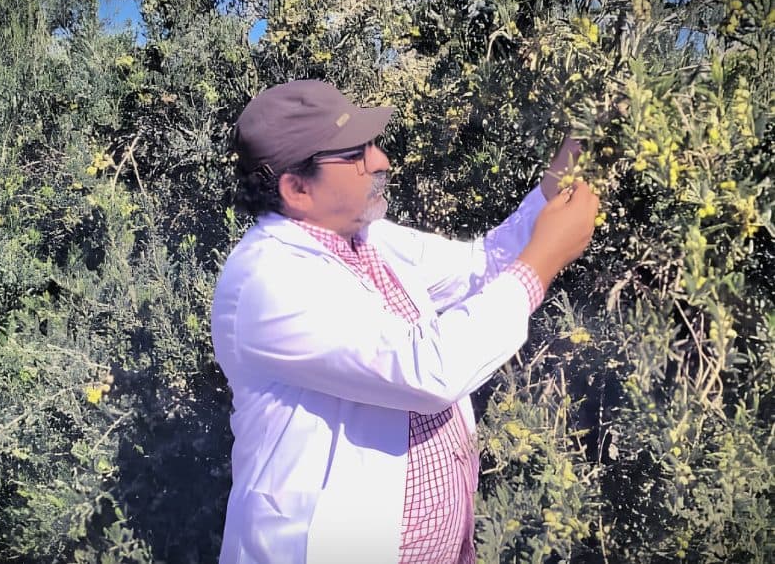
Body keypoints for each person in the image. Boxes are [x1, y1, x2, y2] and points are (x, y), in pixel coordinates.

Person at [211, 80, 598, 564]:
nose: (382, 160)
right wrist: (541, 263)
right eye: (356, 154)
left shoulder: (368, 238)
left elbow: (484, 264)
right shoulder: (269, 281)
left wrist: (575, 154)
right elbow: (428, 370)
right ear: (298, 189)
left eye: (372, 144)